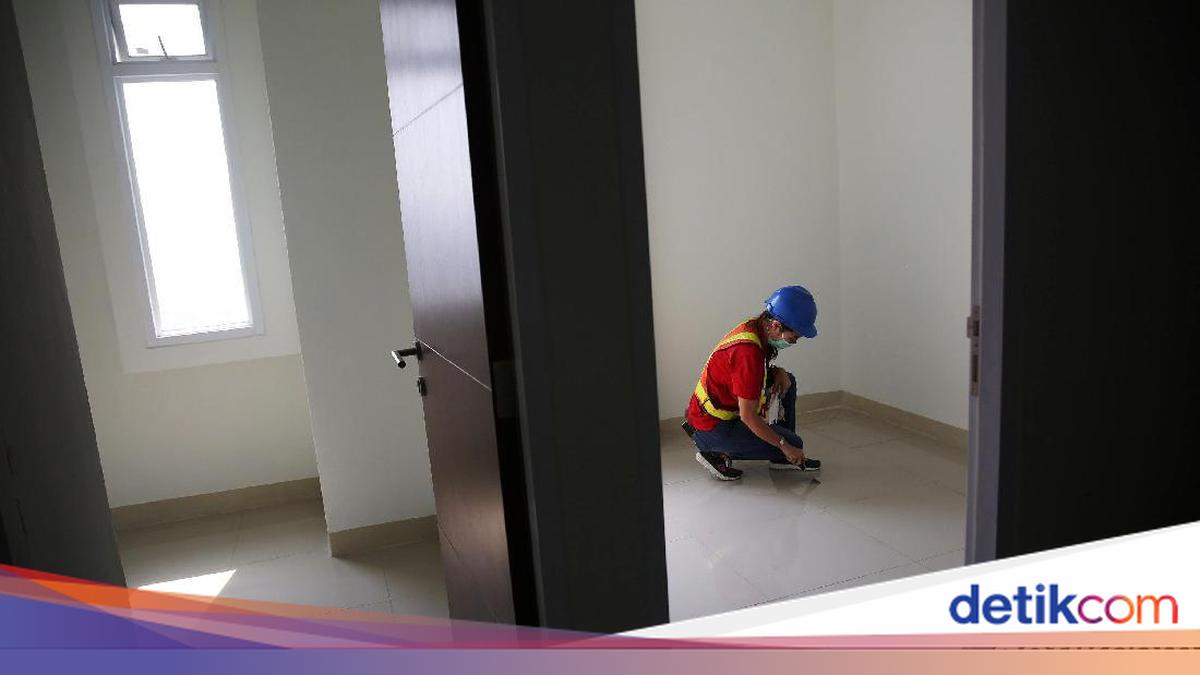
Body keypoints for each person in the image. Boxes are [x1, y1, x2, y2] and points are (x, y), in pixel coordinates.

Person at [683, 286, 822, 480]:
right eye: (794, 337)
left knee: (788, 380)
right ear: (776, 325)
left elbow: (751, 375)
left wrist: (778, 371)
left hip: (719, 412)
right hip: (711, 426)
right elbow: (748, 416)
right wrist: (783, 444)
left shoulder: (756, 328)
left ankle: (780, 457)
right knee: (793, 443)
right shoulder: (748, 352)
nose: (794, 342)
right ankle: (712, 451)